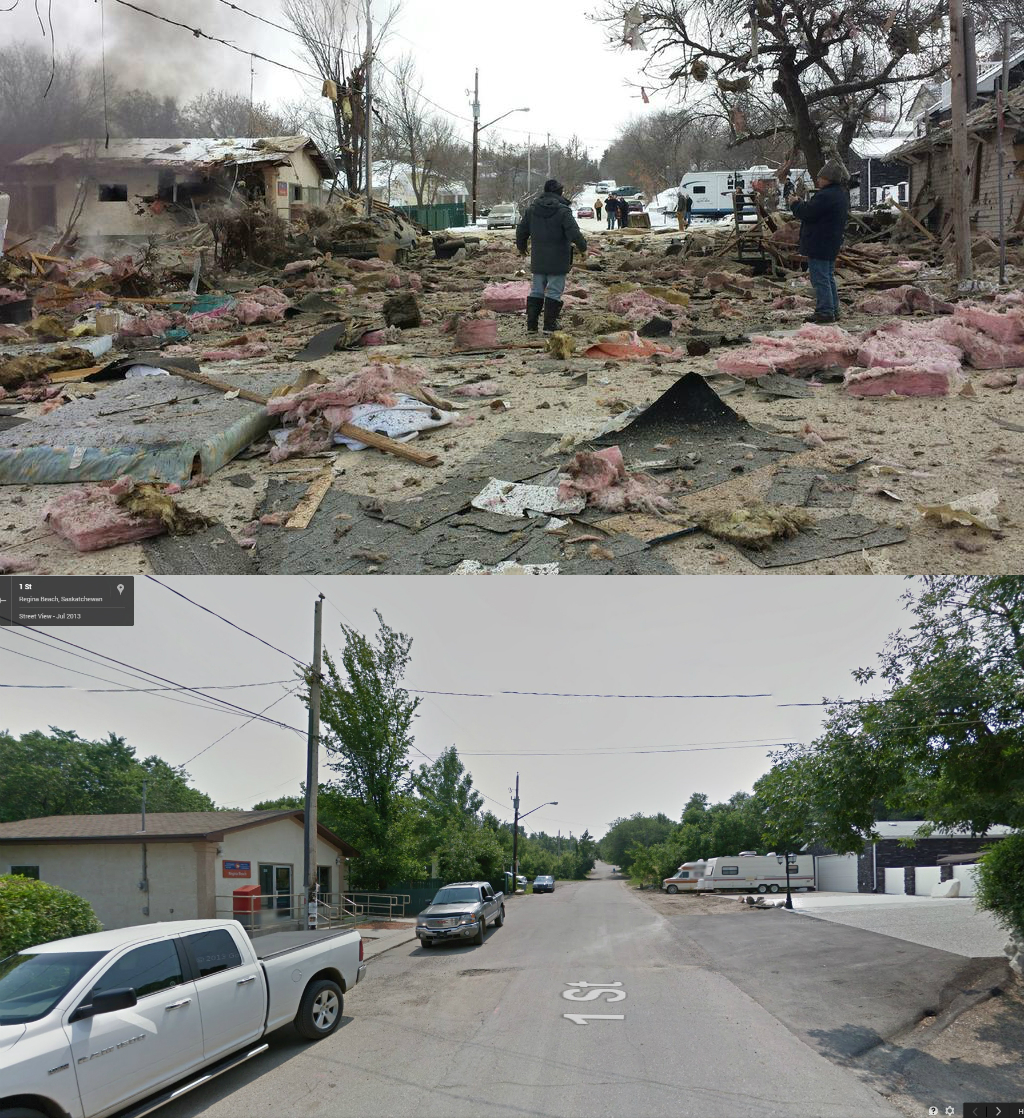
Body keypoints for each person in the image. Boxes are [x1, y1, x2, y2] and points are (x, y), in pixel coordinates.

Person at [515, 177, 587, 334]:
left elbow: (521, 231)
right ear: (559, 192)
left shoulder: (532, 209)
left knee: (536, 290)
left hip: (539, 258)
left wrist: (521, 247)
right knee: (554, 290)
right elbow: (574, 232)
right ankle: (549, 325)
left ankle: (531, 325)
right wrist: (583, 248)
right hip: (559, 259)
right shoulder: (563, 211)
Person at [790, 158, 850, 324]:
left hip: (819, 243)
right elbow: (815, 210)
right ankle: (833, 309)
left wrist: (795, 204)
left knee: (820, 278)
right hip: (830, 242)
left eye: (820, 177)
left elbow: (808, 213)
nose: (817, 180)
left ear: (828, 178)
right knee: (828, 277)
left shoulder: (826, 195)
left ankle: (825, 311)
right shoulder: (839, 194)